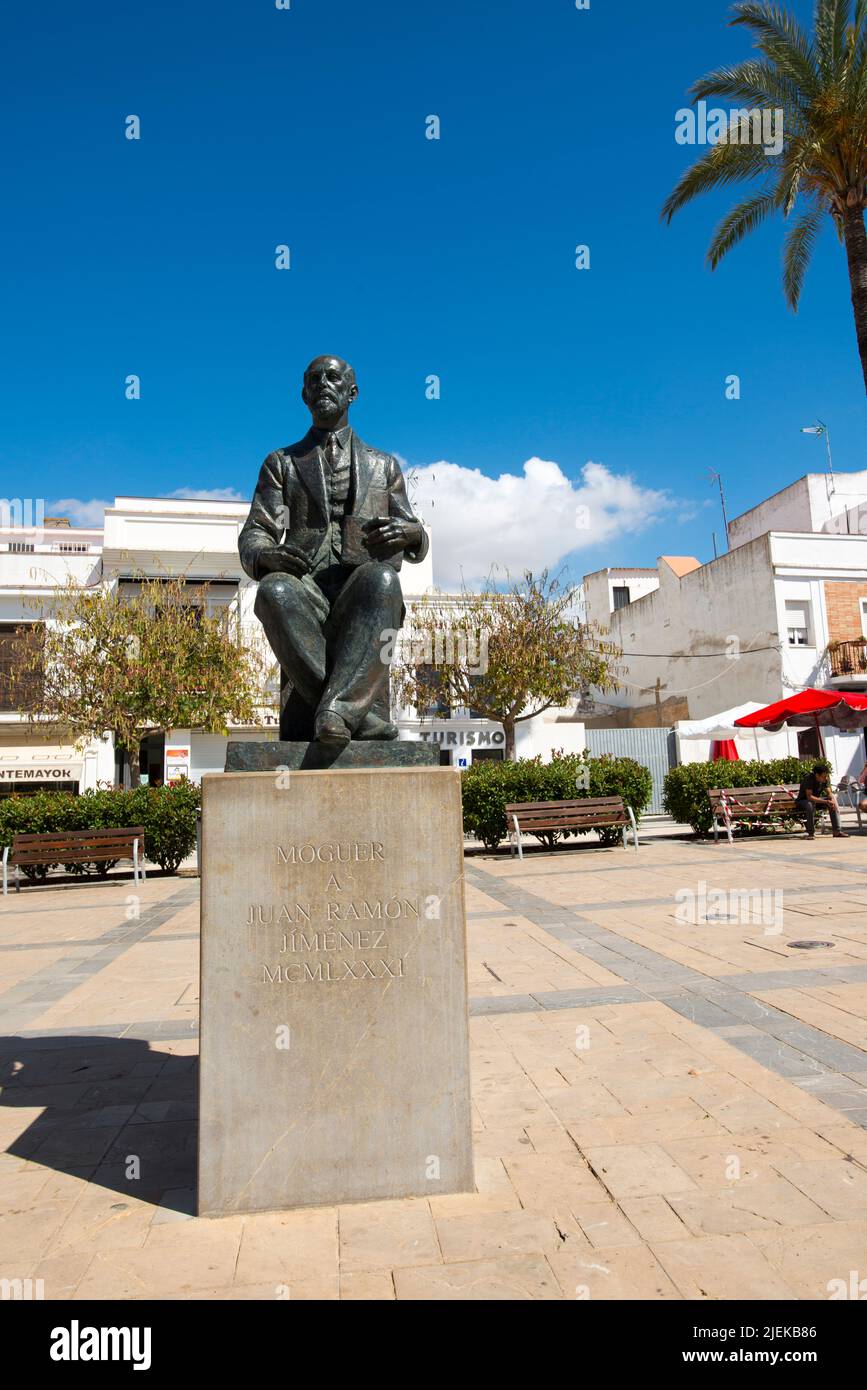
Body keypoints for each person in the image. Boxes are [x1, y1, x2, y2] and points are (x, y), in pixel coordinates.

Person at [238, 356, 428, 748]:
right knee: (272, 590)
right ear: (304, 394)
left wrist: (411, 534)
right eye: (314, 379)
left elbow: (415, 535)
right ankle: (353, 714)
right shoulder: (282, 463)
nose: (323, 384)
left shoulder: (384, 465)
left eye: (333, 377)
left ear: (352, 392)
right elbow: (256, 531)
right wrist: (266, 556)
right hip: (306, 591)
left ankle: (337, 712)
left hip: (361, 594)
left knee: (383, 579)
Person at [795, 762, 848, 839]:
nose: (826, 778)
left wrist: (831, 800)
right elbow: (809, 797)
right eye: (824, 776)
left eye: (826, 776)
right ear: (817, 775)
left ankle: (837, 831)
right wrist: (826, 801)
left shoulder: (825, 779)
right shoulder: (809, 778)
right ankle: (811, 833)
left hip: (815, 801)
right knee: (810, 804)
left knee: (831, 802)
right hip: (803, 801)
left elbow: (829, 792)